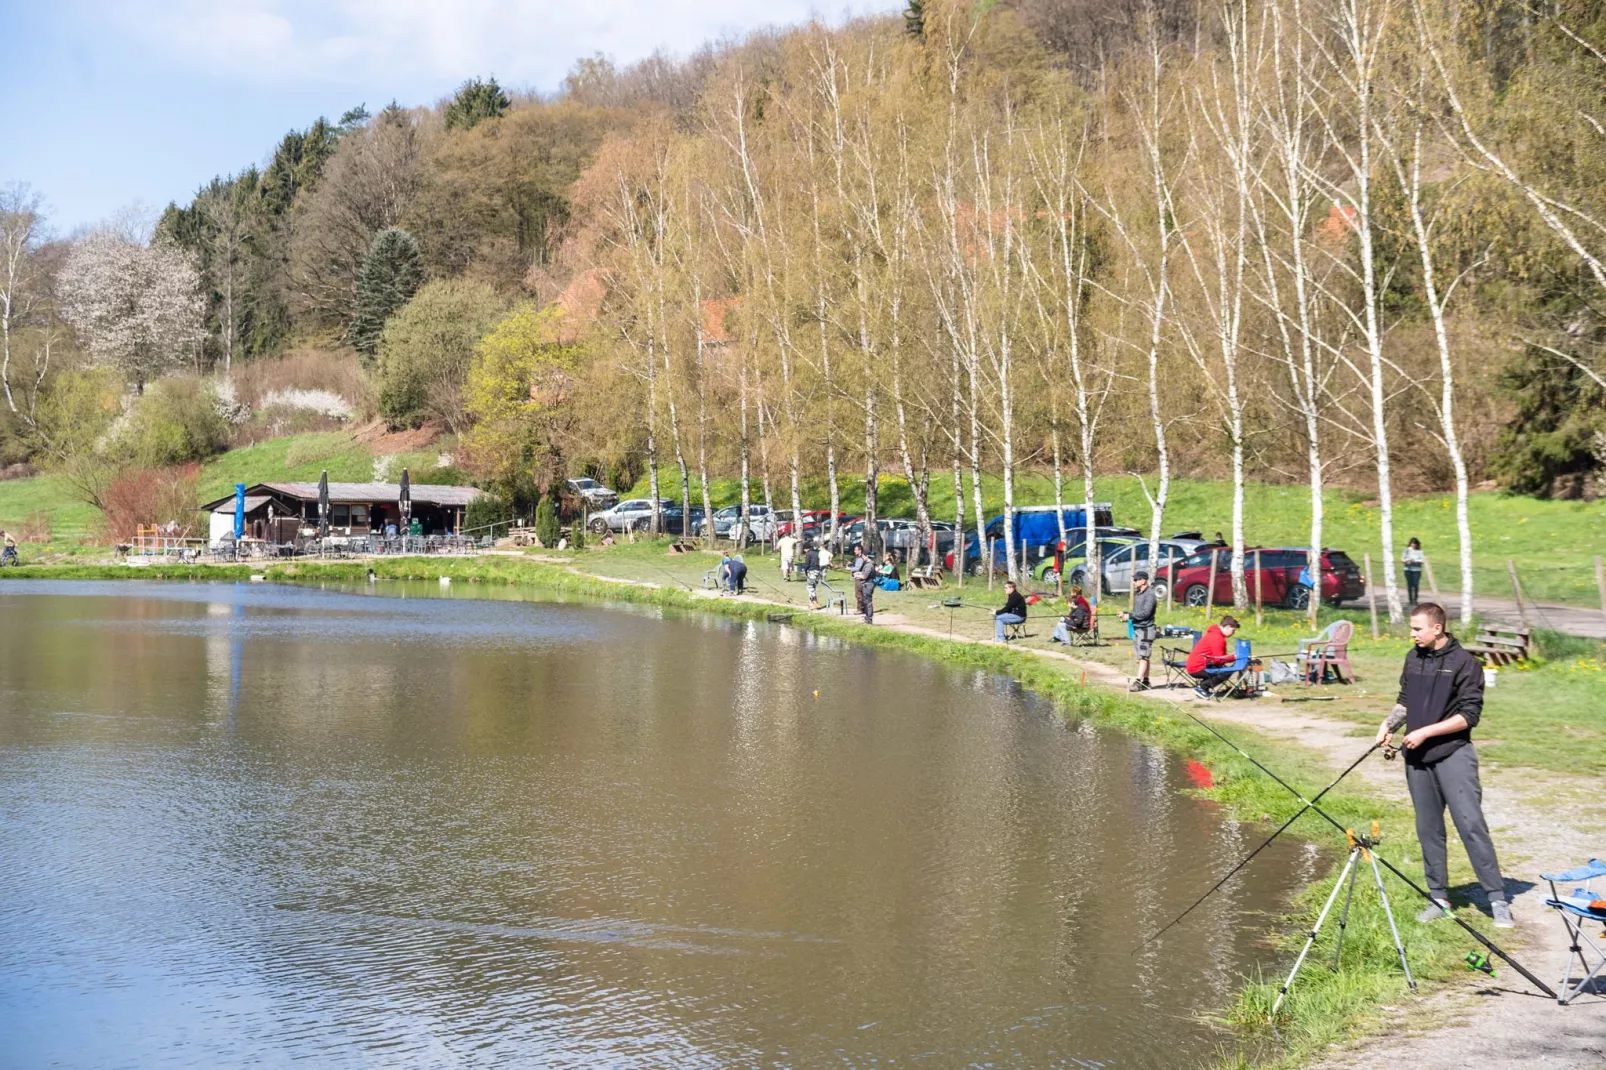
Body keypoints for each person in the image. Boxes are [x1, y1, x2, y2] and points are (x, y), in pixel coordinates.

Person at [1376, 602, 1512, 927]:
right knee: (1428, 829)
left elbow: (1469, 716)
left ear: (1437, 628)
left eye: (1417, 629)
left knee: (1471, 825)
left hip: (1453, 754)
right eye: (1411, 628)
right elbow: (1405, 700)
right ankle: (1438, 897)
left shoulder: (1465, 664)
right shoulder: (1413, 658)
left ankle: (1497, 899)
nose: (1412, 634)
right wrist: (1388, 725)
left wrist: (1425, 732)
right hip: (1417, 759)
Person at [1119, 571, 1159, 691]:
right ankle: (1146, 681)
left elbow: (1145, 613)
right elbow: (1137, 612)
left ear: (1143, 580)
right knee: (1143, 657)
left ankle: (1138, 682)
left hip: (1146, 629)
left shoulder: (1150, 595)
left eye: (1136, 580)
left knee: (1144, 657)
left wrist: (1129, 616)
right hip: (1137, 628)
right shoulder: (1139, 594)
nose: (1134, 582)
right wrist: (1125, 614)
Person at [1185, 615, 1240, 698]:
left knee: (1222, 668)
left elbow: (1218, 658)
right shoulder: (1217, 637)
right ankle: (1202, 688)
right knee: (1227, 672)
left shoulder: (1215, 634)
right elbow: (1218, 659)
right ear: (1228, 627)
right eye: (1233, 630)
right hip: (1197, 668)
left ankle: (1204, 687)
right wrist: (1235, 657)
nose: (1233, 633)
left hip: (1198, 665)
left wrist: (1231, 657)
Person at [850, 544, 877, 624]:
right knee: (866, 602)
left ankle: (869, 619)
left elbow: (865, 576)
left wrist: (857, 575)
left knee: (868, 603)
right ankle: (867, 618)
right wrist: (858, 574)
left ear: (867, 557)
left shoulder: (869, 565)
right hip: (866, 585)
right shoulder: (868, 564)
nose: (863, 557)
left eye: (864, 556)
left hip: (868, 585)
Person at [1402, 537, 1425, 605]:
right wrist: (1407, 560)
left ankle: (1415, 599)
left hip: (1417, 570)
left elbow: (1422, 560)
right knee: (1409, 585)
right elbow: (1402, 559)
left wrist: (1416, 561)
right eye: (1412, 543)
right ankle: (1410, 599)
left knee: (1415, 584)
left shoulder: (1420, 551)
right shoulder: (1406, 550)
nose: (1413, 545)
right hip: (1408, 569)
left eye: (1415, 544)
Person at [803, 541, 823, 608]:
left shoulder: (809, 554)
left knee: (810, 587)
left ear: (806, 548)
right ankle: (811, 603)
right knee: (813, 587)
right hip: (818, 572)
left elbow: (807, 564)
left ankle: (815, 602)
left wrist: (804, 570)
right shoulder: (816, 553)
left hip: (812, 572)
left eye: (804, 549)